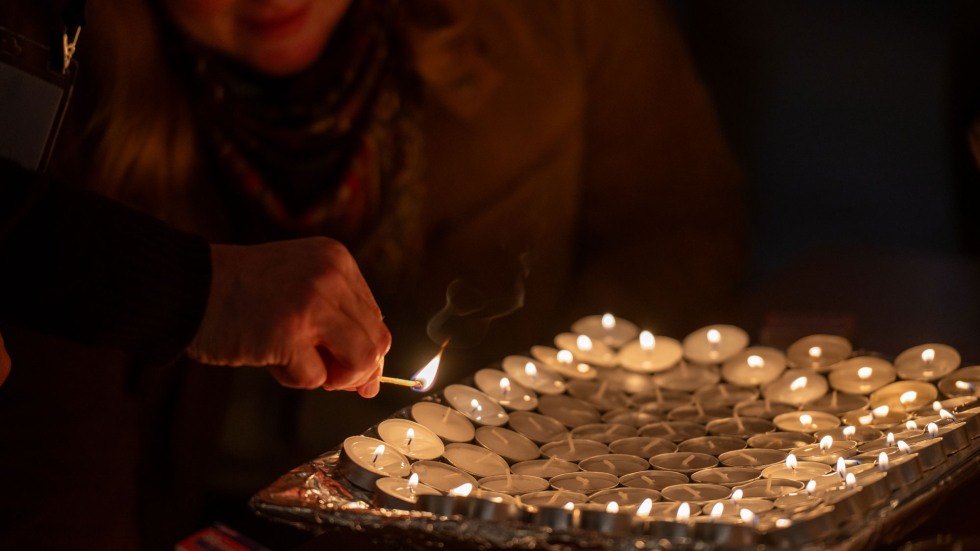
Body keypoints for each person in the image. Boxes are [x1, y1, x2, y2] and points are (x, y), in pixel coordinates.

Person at [0, 0, 742, 548]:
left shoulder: (551, 25)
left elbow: (679, 229)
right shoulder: (73, 104)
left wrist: (554, 465)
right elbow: (55, 464)